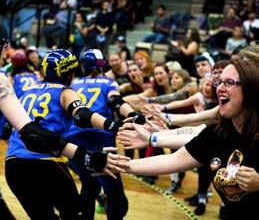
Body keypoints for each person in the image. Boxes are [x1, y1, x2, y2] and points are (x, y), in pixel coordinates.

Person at [120, 59, 259, 219]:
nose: (219, 88)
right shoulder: (218, 131)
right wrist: (118, 163)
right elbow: (174, 159)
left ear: (251, 90)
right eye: (219, 82)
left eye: (228, 82)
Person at [4, 49, 130, 219]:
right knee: (75, 213)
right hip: (45, 162)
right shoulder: (65, 91)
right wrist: (113, 125)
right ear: (69, 72)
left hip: (13, 165)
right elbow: (82, 115)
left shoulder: (27, 92)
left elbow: (7, 128)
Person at [64, 49, 145, 220]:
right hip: (99, 137)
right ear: (102, 64)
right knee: (115, 194)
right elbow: (115, 101)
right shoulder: (108, 82)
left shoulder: (74, 84)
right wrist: (132, 114)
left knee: (89, 186)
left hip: (72, 139)